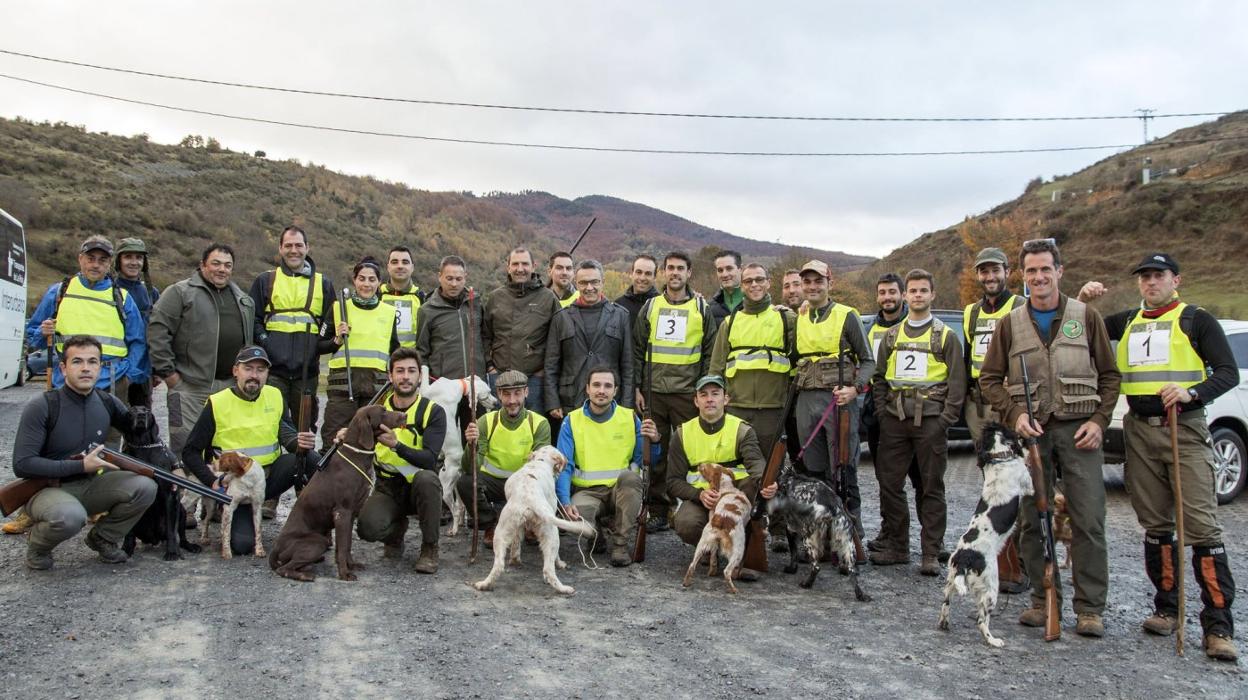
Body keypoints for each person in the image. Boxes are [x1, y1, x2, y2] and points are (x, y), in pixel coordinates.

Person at [1083, 252, 1239, 661]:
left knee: (1202, 527)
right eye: (1145, 277)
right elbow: (1082, 327)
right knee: (1155, 524)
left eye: (1158, 276)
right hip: (1139, 428)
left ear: (1176, 280)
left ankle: (1218, 625)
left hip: (1183, 429)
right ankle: (1166, 609)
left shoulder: (1196, 320)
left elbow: (1227, 371)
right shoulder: (1129, 321)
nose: (1150, 283)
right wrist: (1086, 299)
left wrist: (1194, 393)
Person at [979, 238, 1120, 638]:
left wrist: (1099, 420)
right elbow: (989, 379)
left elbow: (1109, 377)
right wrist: (1015, 414)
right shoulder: (1010, 323)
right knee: (1031, 519)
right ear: (1022, 278)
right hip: (1032, 435)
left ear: (1059, 271)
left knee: (1089, 520)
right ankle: (1043, 601)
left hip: (1079, 434)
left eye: (1045, 269)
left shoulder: (1086, 317)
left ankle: (1090, 609)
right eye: (1031, 271)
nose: (1038, 277)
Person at [12, 335, 157, 570]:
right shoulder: (42, 405)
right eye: (77, 361)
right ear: (63, 367)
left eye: (92, 362)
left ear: (100, 366)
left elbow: (141, 434)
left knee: (145, 486)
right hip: (48, 489)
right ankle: (38, 546)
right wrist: (79, 466)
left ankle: (102, 537)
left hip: (91, 484)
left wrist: (176, 464)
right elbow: (23, 463)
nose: (86, 368)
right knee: (70, 517)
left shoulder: (107, 401)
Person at [870, 269, 966, 575]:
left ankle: (930, 552)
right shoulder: (892, 336)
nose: (917, 296)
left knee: (930, 486)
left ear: (932, 295)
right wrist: (883, 414)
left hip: (931, 421)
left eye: (923, 290)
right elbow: (879, 377)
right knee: (889, 484)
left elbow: (957, 383)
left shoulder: (945, 337)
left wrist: (945, 420)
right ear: (906, 295)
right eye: (913, 291)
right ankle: (898, 547)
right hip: (895, 420)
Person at [181, 345, 319, 555]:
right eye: (248, 368)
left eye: (261, 370)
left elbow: (286, 433)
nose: (254, 375)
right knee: (243, 546)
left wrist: (300, 442)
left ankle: (317, 529)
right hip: (234, 483)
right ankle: (225, 510)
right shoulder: (217, 403)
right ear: (236, 371)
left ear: (267, 374)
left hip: (267, 479)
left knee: (313, 459)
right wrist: (212, 482)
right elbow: (189, 452)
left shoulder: (274, 395)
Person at [632, 251, 717, 532]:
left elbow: (709, 353)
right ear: (663, 272)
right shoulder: (651, 306)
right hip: (654, 393)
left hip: (686, 393)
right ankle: (658, 509)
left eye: (681, 268)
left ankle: (688, 505)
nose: (675, 273)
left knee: (685, 453)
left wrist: (701, 390)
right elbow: (637, 349)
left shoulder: (702, 309)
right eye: (670, 268)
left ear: (689, 273)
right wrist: (638, 387)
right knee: (655, 453)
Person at [793, 259, 873, 545]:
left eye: (818, 281)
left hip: (837, 401)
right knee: (813, 471)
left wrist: (855, 388)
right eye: (807, 282)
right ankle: (821, 534)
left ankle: (853, 535)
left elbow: (868, 361)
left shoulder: (846, 315)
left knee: (843, 467)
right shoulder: (798, 316)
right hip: (806, 399)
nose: (812, 287)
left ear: (830, 283)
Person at [961, 247, 1027, 593]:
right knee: (991, 483)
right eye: (983, 272)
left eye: (995, 271)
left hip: (1010, 402)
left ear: (1007, 272)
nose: (990, 277)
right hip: (980, 404)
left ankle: (1020, 562)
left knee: (1014, 482)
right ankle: (993, 553)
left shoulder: (1018, 307)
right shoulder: (971, 313)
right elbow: (969, 355)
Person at [148, 243, 255, 457]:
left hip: (228, 386)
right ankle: (182, 490)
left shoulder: (244, 300)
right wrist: (169, 375)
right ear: (202, 265)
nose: (221, 269)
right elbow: (157, 331)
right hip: (189, 387)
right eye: (215, 263)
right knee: (185, 447)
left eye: (227, 265)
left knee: (224, 447)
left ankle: (215, 490)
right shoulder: (179, 292)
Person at [666, 375, 777, 578]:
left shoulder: (742, 430)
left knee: (754, 489)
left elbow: (756, 464)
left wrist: (767, 483)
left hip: (736, 497)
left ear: (726, 399)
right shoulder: (682, 434)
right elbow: (673, 481)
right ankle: (712, 549)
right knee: (686, 523)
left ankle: (745, 555)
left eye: (715, 394)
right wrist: (698, 494)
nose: (710, 399)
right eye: (704, 395)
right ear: (695, 401)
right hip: (705, 500)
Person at [356, 347, 447, 574]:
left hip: (420, 487)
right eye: (400, 371)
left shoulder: (433, 411)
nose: (405, 377)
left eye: (411, 371)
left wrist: (397, 445)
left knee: (428, 479)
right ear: (390, 376)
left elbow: (428, 459)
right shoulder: (375, 411)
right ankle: (395, 531)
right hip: (387, 487)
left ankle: (429, 547)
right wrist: (344, 434)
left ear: (419, 377)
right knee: (367, 529)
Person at [557, 367, 658, 567]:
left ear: (615, 390)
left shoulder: (629, 418)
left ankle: (620, 545)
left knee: (631, 478)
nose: (601, 390)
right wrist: (565, 502)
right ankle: (596, 536)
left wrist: (653, 441)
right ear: (587, 388)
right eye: (596, 385)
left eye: (607, 386)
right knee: (573, 522)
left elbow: (646, 460)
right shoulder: (571, 420)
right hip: (587, 493)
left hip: (619, 491)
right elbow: (563, 467)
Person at [25, 235, 146, 396]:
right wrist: (42, 331)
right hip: (66, 383)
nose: (95, 265)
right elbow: (33, 337)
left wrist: (129, 377)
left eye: (102, 260)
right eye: (90, 258)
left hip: (112, 383)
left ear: (109, 264)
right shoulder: (59, 292)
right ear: (80, 259)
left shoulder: (123, 298)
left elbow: (138, 341)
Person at [249, 225, 336, 431]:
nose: (293, 250)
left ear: (307, 248)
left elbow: (330, 323)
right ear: (280, 249)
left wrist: (316, 344)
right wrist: (265, 341)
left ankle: (302, 464)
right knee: (269, 426)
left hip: (307, 373)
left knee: (303, 430)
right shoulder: (265, 280)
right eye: (288, 245)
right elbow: (254, 319)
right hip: (273, 371)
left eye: (299, 245)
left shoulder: (323, 283)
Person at [860, 272, 923, 554]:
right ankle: (891, 534)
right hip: (879, 409)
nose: (888, 297)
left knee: (922, 479)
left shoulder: (918, 324)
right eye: (882, 292)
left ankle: (932, 541)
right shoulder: (869, 328)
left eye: (892, 292)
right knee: (887, 479)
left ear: (903, 295)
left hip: (916, 410)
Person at [457, 370, 552, 546]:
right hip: (495, 483)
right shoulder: (485, 421)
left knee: (543, 481)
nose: (512, 400)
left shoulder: (539, 424)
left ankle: (531, 522)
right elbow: (470, 469)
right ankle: (492, 525)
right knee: (465, 482)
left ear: (526, 392)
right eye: (506, 394)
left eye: (517, 393)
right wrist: (471, 445)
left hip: (525, 484)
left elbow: (542, 470)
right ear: (499, 394)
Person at [318, 257, 399, 443]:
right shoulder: (339, 308)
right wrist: (336, 340)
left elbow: (395, 350)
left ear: (379, 282)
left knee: (370, 442)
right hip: (342, 389)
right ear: (354, 280)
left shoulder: (388, 313)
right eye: (362, 278)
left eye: (372, 279)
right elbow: (319, 345)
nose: (366, 284)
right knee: (334, 441)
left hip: (375, 389)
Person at [545, 260, 634, 419]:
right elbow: (551, 364)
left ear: (603, 282)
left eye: (594, 282)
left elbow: (627, 365)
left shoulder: (620, 316)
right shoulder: (561, 317)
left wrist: (627, 405)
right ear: (576, 284)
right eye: (583, 283)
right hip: (571, 400)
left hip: (610, 400)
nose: (589, 288)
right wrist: (553, 401)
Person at [483, 247, 559, 411]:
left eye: (525, 264)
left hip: (534, 381)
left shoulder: (548, 298)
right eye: (515, 264)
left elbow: (557, 340)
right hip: (500, 378)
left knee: (533, 429)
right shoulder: (495, 298)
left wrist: (543, 371)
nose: (520, 269)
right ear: (508, 267)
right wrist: (490, 367)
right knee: (499, 430)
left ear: (534, 266)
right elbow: (485, 335)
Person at [416, 255, 487, 382]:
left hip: (476, 385)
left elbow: (485, 340)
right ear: (440, 276)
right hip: (444, 388)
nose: (454, 284)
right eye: (449, 278)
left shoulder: (476, 304)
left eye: (458, 279)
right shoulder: (427, 311)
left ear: (465, 277)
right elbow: (422, 352)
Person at [112, 237, 160, 407]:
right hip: (116, 370)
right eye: (128, 257)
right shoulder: (109, 290)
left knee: (141, 424)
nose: (134, 262)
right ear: (118, 261)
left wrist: (156, 369)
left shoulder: (151, 293)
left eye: (139, 258)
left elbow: (157, 332)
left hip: (143, 370)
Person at [379, 245, 423, 348]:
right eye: (395, 262)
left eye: (405, 262)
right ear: (388, 267)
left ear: (412, 268)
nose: (400, 266)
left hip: (410, 360)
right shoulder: (376, 296)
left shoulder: (422, 299)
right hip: (381, 361)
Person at [614, 254, 659, 327]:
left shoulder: (662, 306)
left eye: (648, 274)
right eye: (639, 272)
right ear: (631, 274)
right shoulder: (618, 306)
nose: (642, 278)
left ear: (655, 277)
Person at [708, 250, 744, 328]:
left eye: (729, 268)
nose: (724, 274)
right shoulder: (709, 308)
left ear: (740, 269)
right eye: (720, 270)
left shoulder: (755, 304)